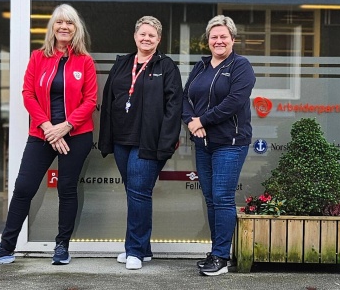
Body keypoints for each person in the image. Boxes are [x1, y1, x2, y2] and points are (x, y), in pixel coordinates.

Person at [0, 4, 97, 266]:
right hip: (42, 134)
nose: (64, 27)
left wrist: (65, 127)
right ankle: (7, 246)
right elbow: (28, 94)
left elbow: (90, 101)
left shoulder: (84, 61)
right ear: (52, 28)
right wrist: (47, 128)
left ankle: (62, 247)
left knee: (66, 189)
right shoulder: (38, 57)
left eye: (70, 23)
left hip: (76, 135)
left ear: (76, 28)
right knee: (23, 188)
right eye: (59, 23)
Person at [98, 16, 183, 270]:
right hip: (122, 140)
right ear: (135, 36)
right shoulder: (122, 63)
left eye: (152, 35)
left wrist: (165, 144)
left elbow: (174, 107)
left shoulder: (166, 67)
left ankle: (134, 249)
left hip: (148, 142)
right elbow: (109, 98)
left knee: (138, 193)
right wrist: (107, 138)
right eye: (142, 34)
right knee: (135, 194)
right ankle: (142, 248)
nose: (146, 38)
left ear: (159, 39)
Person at [182, 15, 256, 276]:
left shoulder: (241, 66)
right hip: (203, 143)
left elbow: (234, 102)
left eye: (223, 36)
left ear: (232, 39)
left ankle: (222, 258)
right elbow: (185, 97)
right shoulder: (201, 66)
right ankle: (216, 251)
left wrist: (202, 119)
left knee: (223, 198)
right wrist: (191, 121)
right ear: (208, 41)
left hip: (230, 143)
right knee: (211, 199)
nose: (218, 41)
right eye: (214, 37)